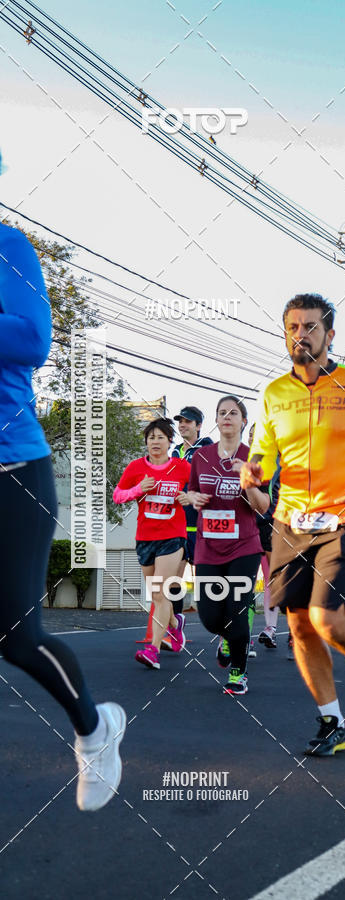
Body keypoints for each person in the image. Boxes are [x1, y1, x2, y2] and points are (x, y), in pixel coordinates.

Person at [241, 293, 345, 756]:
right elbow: (263, 455)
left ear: (330, 335)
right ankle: (332, 723)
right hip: (289, 523)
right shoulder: (274, 393)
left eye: (311, 327)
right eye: (293, 327)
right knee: (299, 626)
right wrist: (253, 470)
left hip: (344, 518)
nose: (301, 335)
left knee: (325, 617)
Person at [0, 212, 125, 811]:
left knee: (15, 636)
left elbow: (32, 338)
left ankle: (94, 728)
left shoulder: (8, 247)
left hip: (12, 474)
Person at [188, 396, 269, 695]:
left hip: (244, 546)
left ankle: (238, 672)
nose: (227, 417)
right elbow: (191, 494)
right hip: (208, 546)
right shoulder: (201, 457)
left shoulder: (256, 459)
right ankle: (228, 639)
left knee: (236, 612)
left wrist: (246, 480)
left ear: (243, 421)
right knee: (209, 617)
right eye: (222, 412)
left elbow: (263, 507)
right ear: (217, 420)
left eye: (233, 413)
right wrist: (194, 499)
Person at [113, 418, 191, 669]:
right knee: (157, 596)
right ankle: (176, 625)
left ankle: (152, 651)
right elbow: (118, 496)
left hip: (173, 536)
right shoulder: (136, 467)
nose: (155, 442)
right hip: (145, 538)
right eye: (151, 438)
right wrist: (138, 489)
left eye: (160, 437)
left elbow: (201, 491)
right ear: (146, 442)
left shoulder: (182, 467)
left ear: (170, 441)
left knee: (159, 594)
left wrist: (188, 496)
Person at [162, 406, 213, 651]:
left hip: (203, 527)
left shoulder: (207, 448)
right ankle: (176, 625)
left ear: (199, 425)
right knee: (173, 578)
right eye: (180, 422)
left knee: (211, 583)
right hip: (179, 525)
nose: (183, 425)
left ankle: (228, 634)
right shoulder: (175, 453)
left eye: (188, 422)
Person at [248, 424, 284, 655]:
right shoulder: (241, 458)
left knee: (272, 578)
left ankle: (271, 628)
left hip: (271, 525)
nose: (255, 438)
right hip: (246, 526)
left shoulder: (281, 460)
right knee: (245, 581)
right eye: (251, 434)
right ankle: (242, 634)